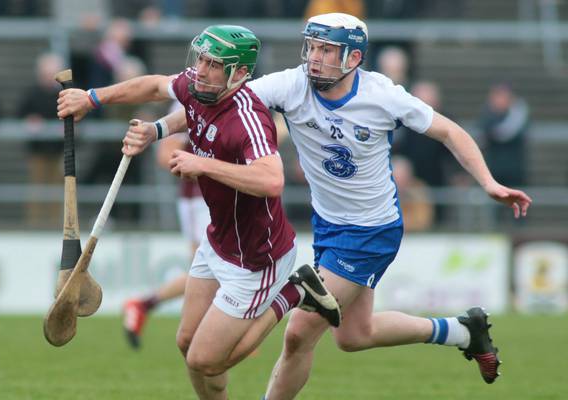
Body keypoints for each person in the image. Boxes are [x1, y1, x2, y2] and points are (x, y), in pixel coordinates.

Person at [151, 13, 532, 397]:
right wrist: (159, 129)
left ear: (353, 59)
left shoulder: (382, 95)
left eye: (327, 49)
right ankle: (464, 331)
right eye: (312, 47)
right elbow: (226, 102)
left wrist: (488, 182)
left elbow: (449, 131)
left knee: (298, 335)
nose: (314, 57)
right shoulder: (292, 83)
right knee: (354, 335)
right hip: (328, 224)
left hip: (370, 231)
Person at [57, 24, 341, 400]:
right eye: (202, 59)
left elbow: (271, 181)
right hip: (219, 240)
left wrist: (202, 166)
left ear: (239, 74)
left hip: (256, 257)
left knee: (205, 361)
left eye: (214, 64)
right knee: (186, 342)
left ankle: (292, 292)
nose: (201, 69)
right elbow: (158, 86)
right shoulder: (200, 87)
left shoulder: (248, 119)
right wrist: (98, 100)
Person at [123, 105, 211, 349]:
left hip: (216, 198)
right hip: (199, 199)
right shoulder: (186, 104)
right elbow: (166, 154)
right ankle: (145, 305)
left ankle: (143, 306)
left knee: (209, 267)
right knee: (208, 267)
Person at [18, 53, 66, 226]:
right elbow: (21, 113)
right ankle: (35, 224)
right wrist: (30, 120)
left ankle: (56, 224)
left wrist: (67, 126)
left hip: (60, 151)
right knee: (37, 188)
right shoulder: (32, 93)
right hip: (38, 151)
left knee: (58, 188)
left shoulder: (65, 93)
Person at [391, 155, 434, 232]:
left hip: (416, 238)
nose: (400, 183)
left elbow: (424, 220)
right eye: (396, 178)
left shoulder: (419, 190)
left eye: (403, 178)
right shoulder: (382, 192)